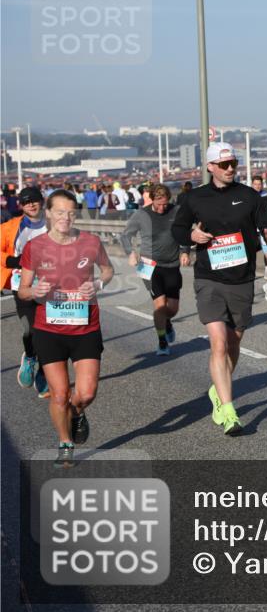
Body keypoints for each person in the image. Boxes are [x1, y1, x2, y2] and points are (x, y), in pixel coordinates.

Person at [171, 142, 267, 436]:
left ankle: (217, 390)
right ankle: (229, 410)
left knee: (234, 343)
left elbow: (265, 221)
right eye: (224, 164)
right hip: (209, 277)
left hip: (242, 279)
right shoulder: (195, 198)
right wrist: (192, 235)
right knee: (218, 343)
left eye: (233, 163)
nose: (230, 168)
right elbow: (178, 228)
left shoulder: (248, 196)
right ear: (210, 167)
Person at [17, 189, 115, 467]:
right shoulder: (35, 247)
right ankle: (65, 443)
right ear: (48, 213)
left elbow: (108, 270)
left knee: (86, 393)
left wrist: (97, 284)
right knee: (59, 395)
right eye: (60, 212)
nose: (65, 218)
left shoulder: (91, 242)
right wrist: (35, 291)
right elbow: (23, 290)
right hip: (49, 330)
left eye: (71, 213)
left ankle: (77, 413)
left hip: (85, 327)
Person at [120, 183, 190, 356]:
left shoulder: (176, 211)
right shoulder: (141, 214)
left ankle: (167, 323)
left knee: (172, 309)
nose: (162, 208)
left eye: (165, 204)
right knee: (159, 305)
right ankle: (162, 341)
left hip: (172, 264)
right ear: (152, 200)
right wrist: (131, 253)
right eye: (158, 204)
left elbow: (185, 233)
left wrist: (185, 251)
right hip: (148, 265)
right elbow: (126, 235)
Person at [2, 186, 50, 397]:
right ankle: (30, 357)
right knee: (30, 329)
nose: (30, 204)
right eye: (25, 201)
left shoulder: (54, 224)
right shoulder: (11, 227)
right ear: (21, 205)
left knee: (50, 332)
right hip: (22, 285)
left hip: (51, 285)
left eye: (34, 200)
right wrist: (14, 261)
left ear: (42, 201)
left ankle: (45, 372)